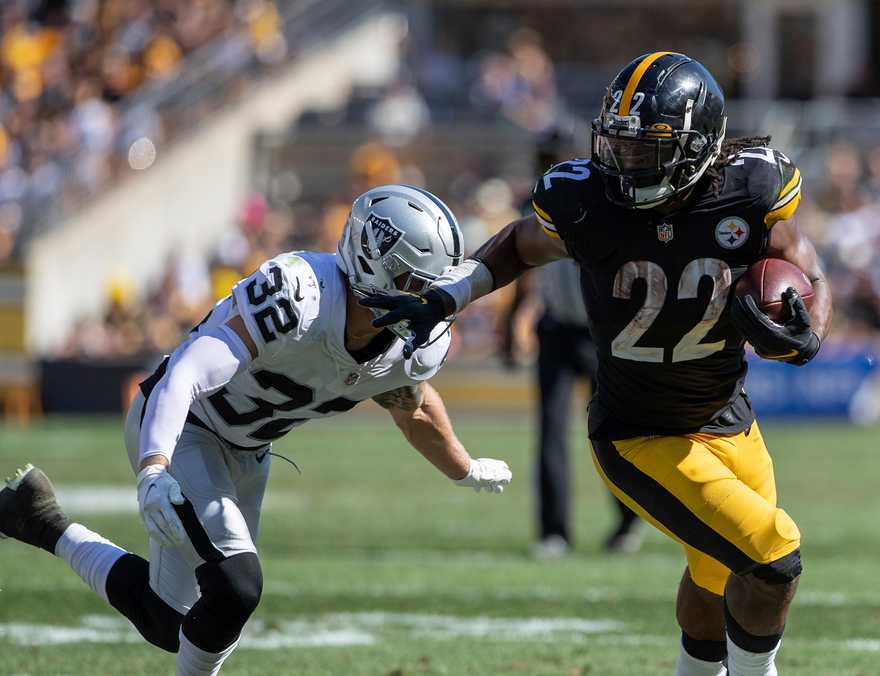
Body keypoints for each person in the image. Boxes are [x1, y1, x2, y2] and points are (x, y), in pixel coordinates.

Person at [364, 53, 833, 676]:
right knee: (774, 559)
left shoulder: (750, 188)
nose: (624, 163)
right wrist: (451, 294)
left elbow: (803, 260)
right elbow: (519, 246)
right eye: (618, 145)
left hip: (729, 419)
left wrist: (810, 325)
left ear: (698, 148)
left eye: (647, 150)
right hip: (638, 435)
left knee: (714, 571)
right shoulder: (588, 201)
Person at [0, 185, 512, 675]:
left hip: (247, 451)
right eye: (416, 284)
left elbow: (414, 408)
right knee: (236, 587)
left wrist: (464, 469)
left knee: (169, 620)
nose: (429, 300)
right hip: (185, 424)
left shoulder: (410, 347)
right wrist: (154, 466)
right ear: (373, 263)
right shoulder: (300, 295)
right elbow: (189, 372)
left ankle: (38, 520)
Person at [501, 129, 640, 559]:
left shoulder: (595, 199)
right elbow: (525, 266)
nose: (546, 165)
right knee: (551, 432)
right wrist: (512, 324)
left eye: (551, 156)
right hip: (556, 327)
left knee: (613, 433)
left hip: (601, 332)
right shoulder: (536, 201)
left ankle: (630, 517)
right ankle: (554, 531)